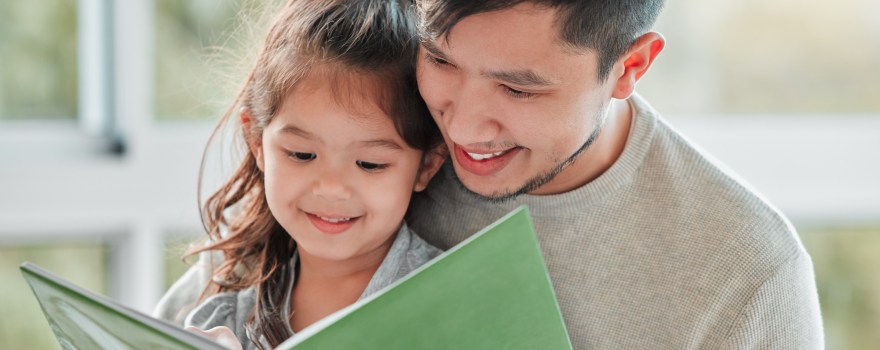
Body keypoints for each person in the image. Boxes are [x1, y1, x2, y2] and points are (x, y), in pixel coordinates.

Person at [405, 0, 824, 349]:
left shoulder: (749, 274)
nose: (461, 129)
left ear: (629, 67)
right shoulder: (367, 135)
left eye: (519, 90)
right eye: (440, 61)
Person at [152, 0, 446, 349]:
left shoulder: (449, 297)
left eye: (369, 164)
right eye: (302, 155)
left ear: (426, 165)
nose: (332, 188)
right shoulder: (226, 295)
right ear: (256, 142)